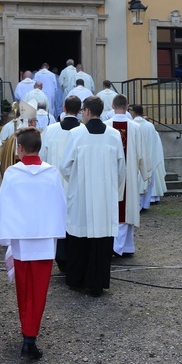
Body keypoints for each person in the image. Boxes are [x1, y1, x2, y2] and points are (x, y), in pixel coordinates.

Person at [0, 127, 67, 360]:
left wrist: (7, 236)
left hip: (21, 242)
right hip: (45, 241)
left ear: (20, 149)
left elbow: (3, 204)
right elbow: (60, 205)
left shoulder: (12, 174)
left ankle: (28, 334)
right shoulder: (51, 173)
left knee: (24, 290)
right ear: (39, 148)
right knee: (38, 292)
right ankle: (30, 337)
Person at [60, 96, 125, 296]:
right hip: (105, 197)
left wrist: (78, 181)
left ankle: (77, 280)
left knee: (80, 237)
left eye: (82, 111)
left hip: (81, 196)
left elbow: (65, 166)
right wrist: (115, 190)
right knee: (101, 239)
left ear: (87, 111)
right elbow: (121, 168)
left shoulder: (76, 134)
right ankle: (97, 283)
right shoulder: (114, 135)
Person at [105, 95, 150, 257]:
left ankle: (124, 247)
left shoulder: (105, 126)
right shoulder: (136, 127)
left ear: (112, 105)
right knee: (127, 210)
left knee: (115, 211)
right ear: (127, 106)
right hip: (129, 175)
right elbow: (143, 154)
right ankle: (121, 248)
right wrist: (145, 172)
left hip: (109, 176)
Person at [39, 95, 81, 272]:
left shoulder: (50, 130)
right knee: (75, 222)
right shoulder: (84, 131)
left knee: (58, 222)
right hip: (77, 185)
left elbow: (42, 158)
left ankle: (61, 258)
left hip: (54, 184)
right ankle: (75, 258)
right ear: (80, 111)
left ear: (63, 108)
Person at [131, 105, 167, 212]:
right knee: (148, 181)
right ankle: (145, 205)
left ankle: (135, 205)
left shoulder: (131, 125)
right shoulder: (150, 126)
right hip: (148, 159)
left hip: (134, 159)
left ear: (133, 113)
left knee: (135, 182)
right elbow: (155, 142)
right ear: (142, 113)